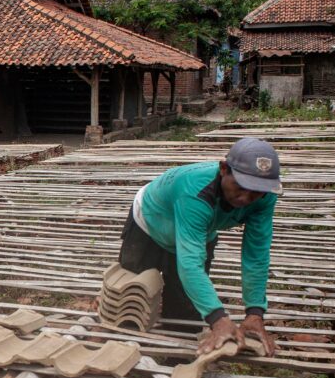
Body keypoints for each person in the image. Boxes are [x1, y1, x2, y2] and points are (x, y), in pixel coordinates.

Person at [118, 137, 281, 357]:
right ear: (224, 169)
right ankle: (122, 351)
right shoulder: (195, 190)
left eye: (256, 192)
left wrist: (254, 313)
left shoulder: (264, 198)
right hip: (150, 221)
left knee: (185, 310)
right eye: (241, 187)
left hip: (198, 231)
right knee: (132, 296)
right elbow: (190, 263)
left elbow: (256, 255)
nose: (246, 198)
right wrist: (218, 318)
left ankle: (175, 359)